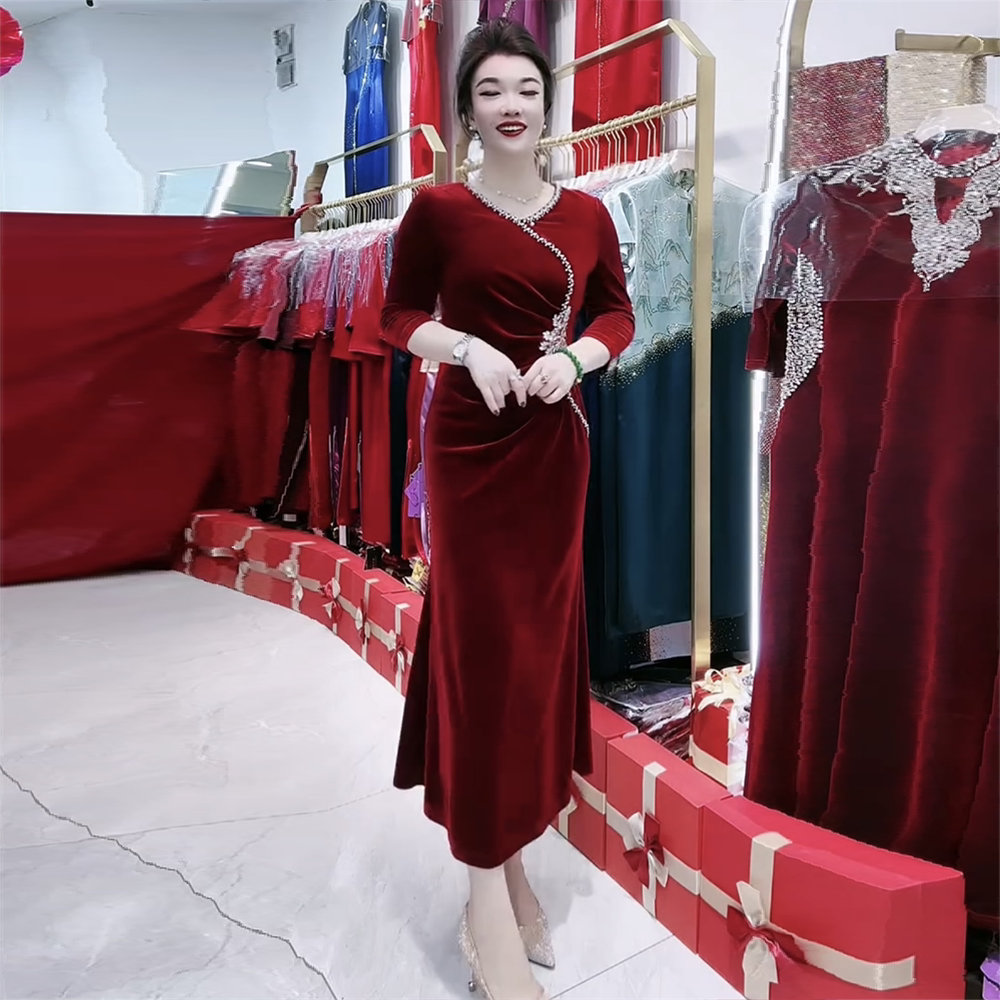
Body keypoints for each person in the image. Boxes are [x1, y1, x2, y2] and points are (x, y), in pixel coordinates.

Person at [380, 19, 634, 1000]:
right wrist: (465, 348)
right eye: (490, 90)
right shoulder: (438, 210)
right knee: (481, 657)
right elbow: (396, 315)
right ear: (466, 110)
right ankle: (485, 890)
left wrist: (577, 356)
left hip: (552, 448)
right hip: (469, 446)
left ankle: (515, 864)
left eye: (525, 87)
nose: (511, 105)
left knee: (531, 656)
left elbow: (617, 310)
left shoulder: (588, 213)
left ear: (547, 101)